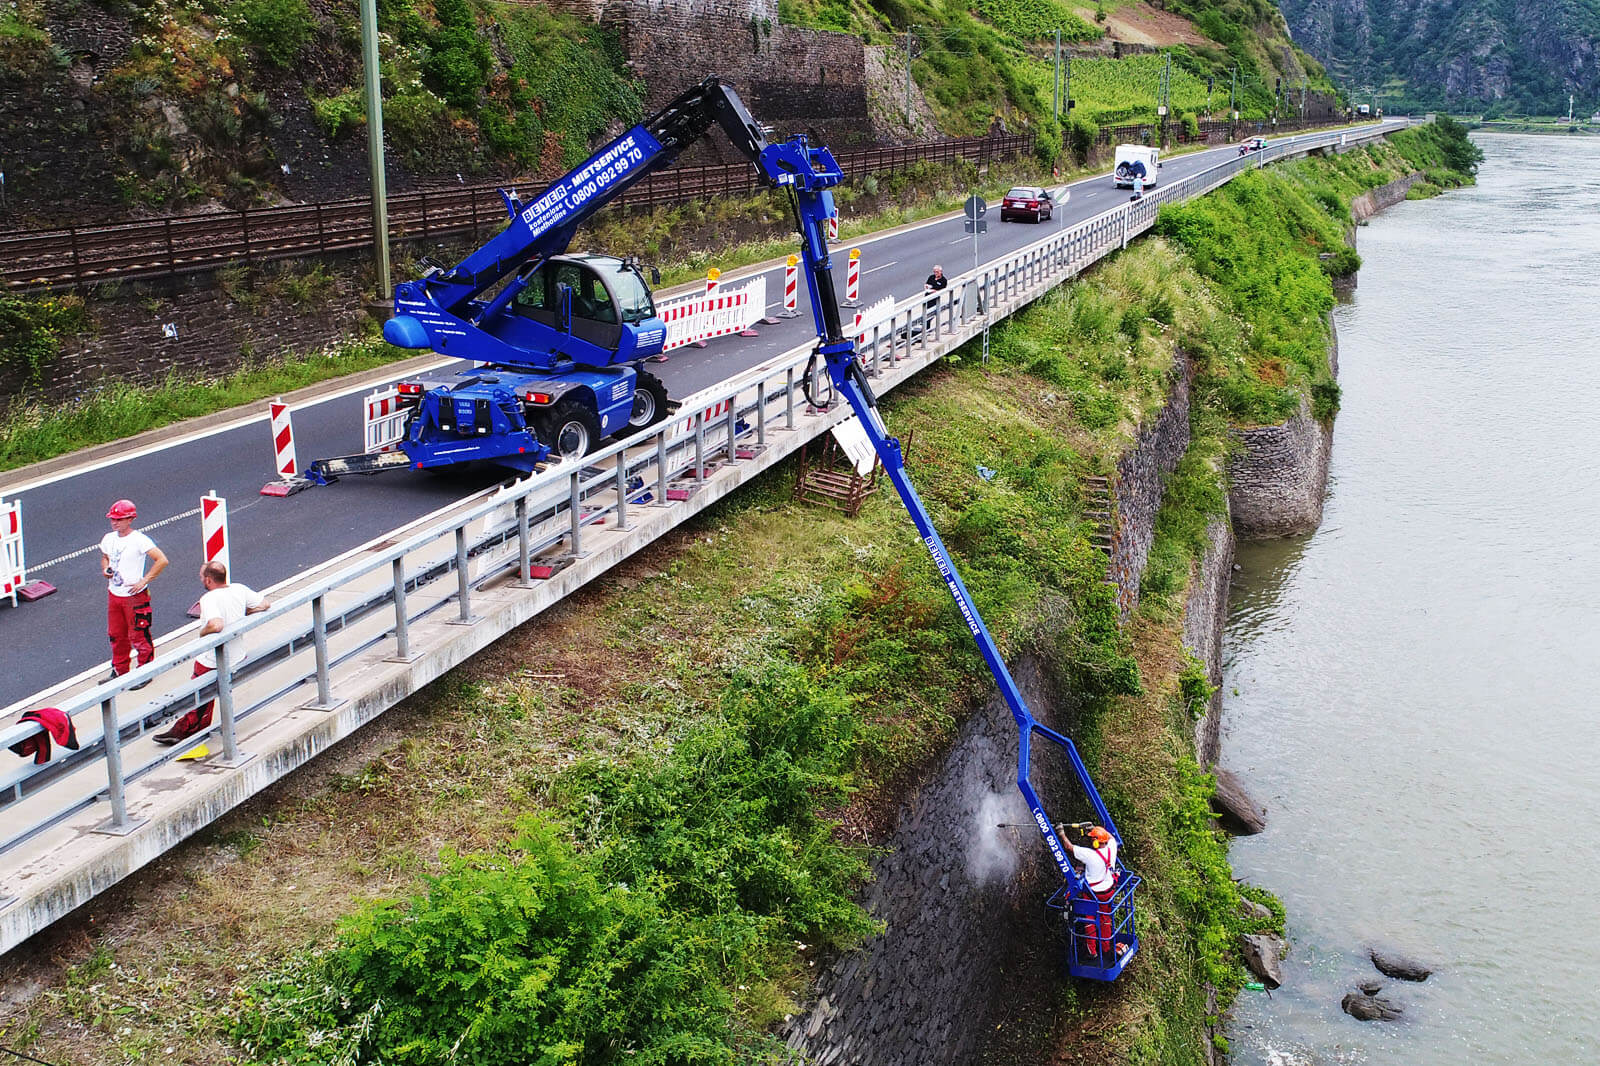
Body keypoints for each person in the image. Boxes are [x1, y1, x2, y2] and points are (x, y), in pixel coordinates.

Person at [154, 561, 270, 746]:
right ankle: (192, 727)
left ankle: (187, 730)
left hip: (213, 660)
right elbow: (264, 604)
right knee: (209, 691)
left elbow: (216, 625)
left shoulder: (209, 599)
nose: (201, 579)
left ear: (208, 580)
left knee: (198, 693)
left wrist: (202, 633)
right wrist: (245, 613)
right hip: (238, 655)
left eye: (201, 577)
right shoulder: (239, 589)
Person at [100, 499, 167, 686]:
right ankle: (120, 670)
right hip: (115, 594)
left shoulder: (139, 540)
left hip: (133, 596)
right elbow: (105, 558)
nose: (115, 523)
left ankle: (145, 671)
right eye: (113, 519)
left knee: (138, 634)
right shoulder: (108, 539)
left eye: (119, 519)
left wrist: (144, 581)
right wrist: (106, 569)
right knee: (116, 634)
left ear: (130, 519)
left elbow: (161, 560)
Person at [1067, 825, 1123, 961]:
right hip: (1108, 892)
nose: (1091, 841)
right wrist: (1096, 829)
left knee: (1090, 920)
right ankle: (1106, 948)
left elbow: (1069, 847)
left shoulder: (1090, 855)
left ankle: (1092, 951)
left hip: (1093, 895)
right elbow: (1111, 837)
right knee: (1105, 919)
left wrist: (1061, 833)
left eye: (1092, 839)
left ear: (1097, 842)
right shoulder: (1111, 847)